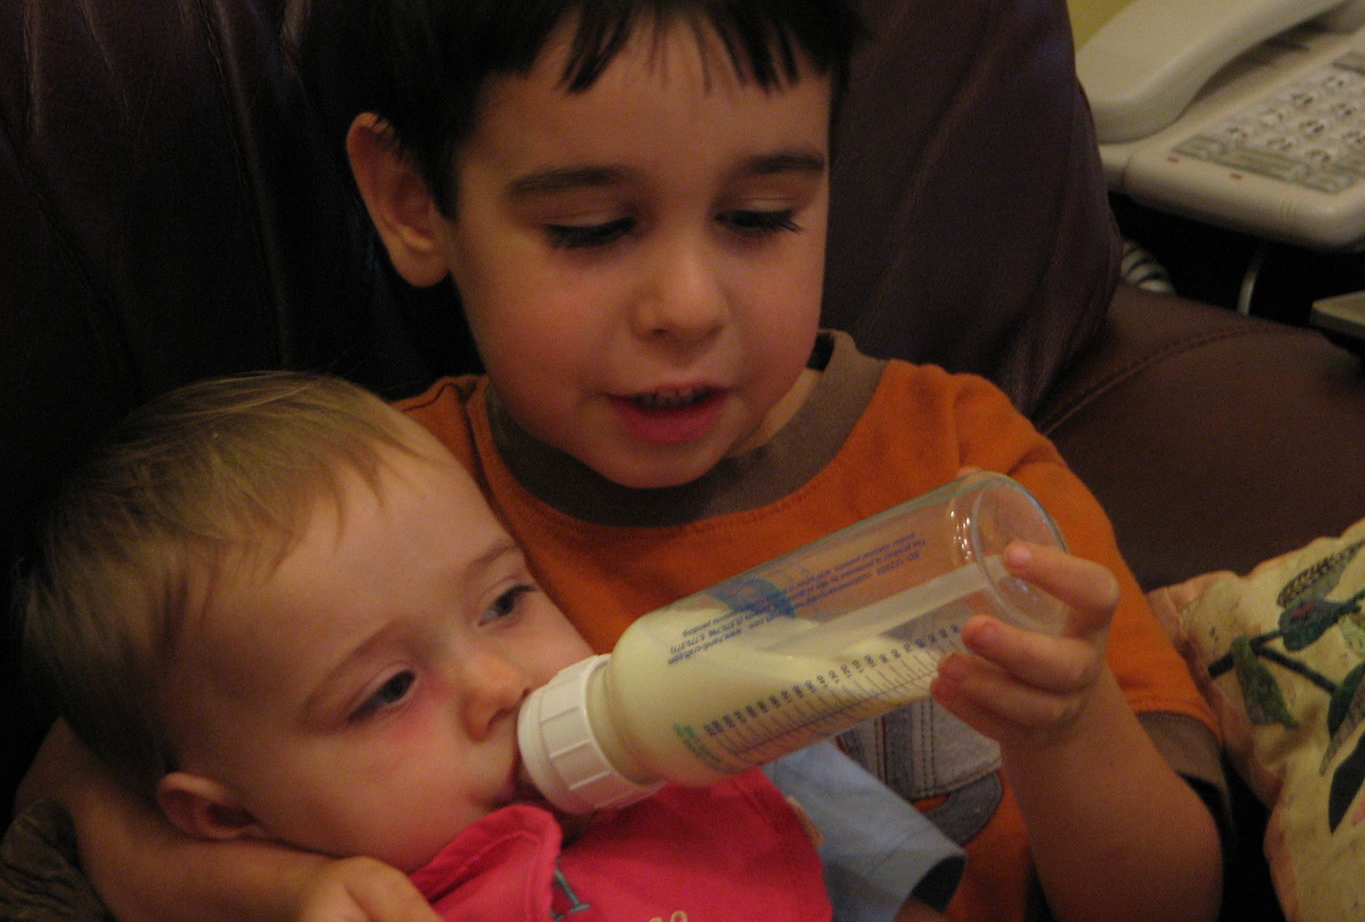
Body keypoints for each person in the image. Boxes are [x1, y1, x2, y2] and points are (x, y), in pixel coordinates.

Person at [20, 0, 1225, 920]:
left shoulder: (962, 464)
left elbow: (1171, 895)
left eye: (760, 216)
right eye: (591, 230)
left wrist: (1067, 735)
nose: (689, 306)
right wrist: (283, 888)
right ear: (413, 201)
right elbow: (77, 796)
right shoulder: (366, 506)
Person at [14, 371, 949, 922]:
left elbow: (908, 889)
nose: (500, 685)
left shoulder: (691, 735)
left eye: (505, 600)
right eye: (387, 692)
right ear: (228, 818)